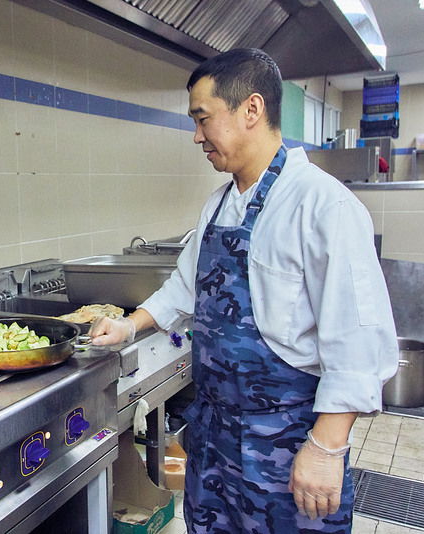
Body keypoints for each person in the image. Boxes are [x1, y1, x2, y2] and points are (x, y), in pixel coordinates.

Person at [90, 48, 398, 533]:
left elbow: (360, 346)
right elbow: (183, 288)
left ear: (251, 109)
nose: (197, 136)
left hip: (285, 444)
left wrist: (325, 448)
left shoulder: (323, 206)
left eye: (203, 118)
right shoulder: (217, 205)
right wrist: (130, 324)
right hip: (213, 439)